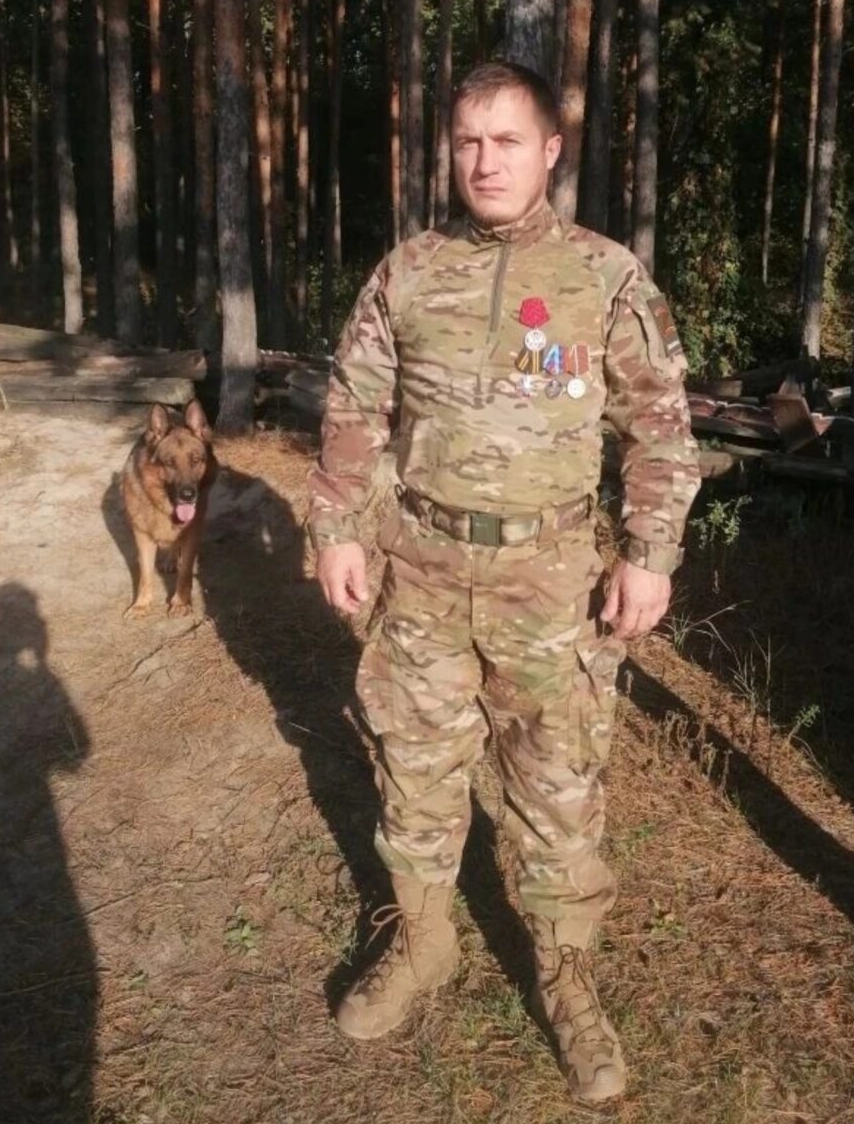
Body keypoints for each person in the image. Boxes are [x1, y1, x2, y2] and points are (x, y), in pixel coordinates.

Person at [306, 58, 701, 1103]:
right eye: (468, 142)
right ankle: (423, 941)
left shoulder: (604, 277)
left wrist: (649, 553)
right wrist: (338, 530)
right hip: (420, 573)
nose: (485, 161)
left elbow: (660, 428)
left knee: (557, 782)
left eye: (508, 140)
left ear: (550, 151)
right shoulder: (407, 273)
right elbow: (354, 407)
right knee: (415, 766)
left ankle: (566, 977)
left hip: (551, 577)